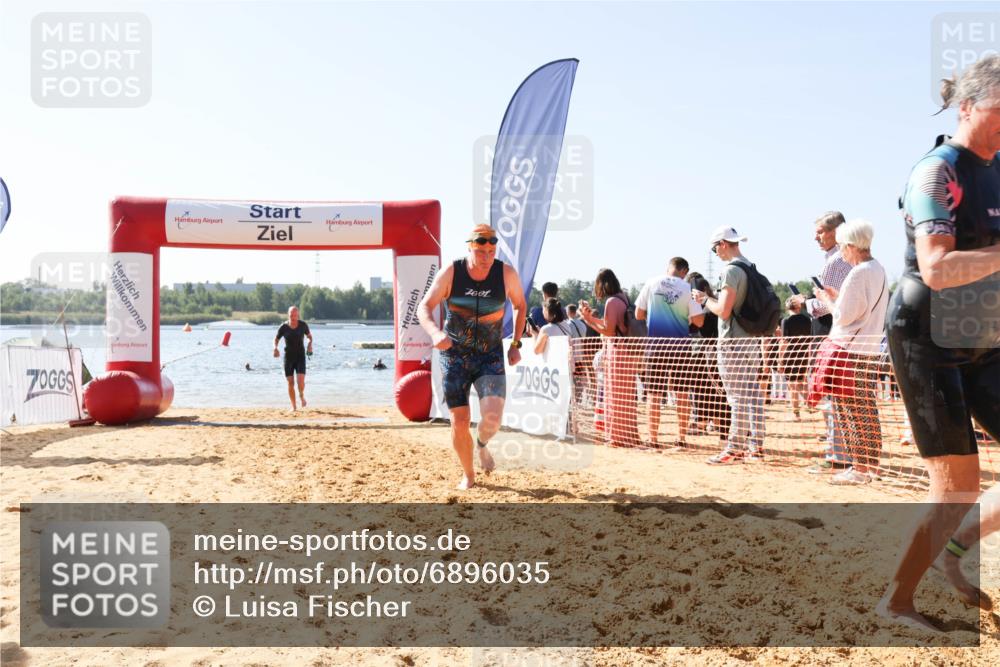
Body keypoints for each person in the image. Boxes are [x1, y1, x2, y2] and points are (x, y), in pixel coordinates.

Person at [878, 55, 1000, 631]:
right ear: (967, 107)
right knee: (957, 487)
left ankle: (952, 556)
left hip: (985, 335)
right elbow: (938, 268)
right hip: (926, 335)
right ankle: (897, 601)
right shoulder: (937, 171)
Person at [417, 224, 527, 490]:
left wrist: (515, 344)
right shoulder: (452, 272)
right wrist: (434, 333)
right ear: (470, 247)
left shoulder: (506, 274)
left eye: (491, 251)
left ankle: (482, 445)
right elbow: (424, 307)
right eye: (481, 251)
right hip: (454, 354)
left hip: (490, 355)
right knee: (460, 420)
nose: (487, 257)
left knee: (492, 418)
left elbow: (521, 306)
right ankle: (468, 474)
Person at [813, 219, 889, 485]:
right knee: (867, 410)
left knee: (848, 411)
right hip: (868, 350)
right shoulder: (877, 268)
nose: (842, 252)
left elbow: (844, 316)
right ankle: (871, 466)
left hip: (849, 350)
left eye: (844, 246)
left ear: (851, 245)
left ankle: (858, 467)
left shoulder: (858, 273)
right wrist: (837, 297)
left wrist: (827, 300)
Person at [692, 227, 766, 464]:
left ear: (723, 244)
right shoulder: (750, 267)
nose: (716, 253)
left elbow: (724, 311)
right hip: (751, 339)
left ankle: (734, 447)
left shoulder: (731, 270)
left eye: (715, 249)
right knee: (753, 395)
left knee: (737, 397)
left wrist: (705, 300)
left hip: (733, 341)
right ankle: (756, 446)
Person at [790, 211, 854, 469]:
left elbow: (828, 305)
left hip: (831, 333)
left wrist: (804, 302)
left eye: (820, 231)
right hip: (840, 334)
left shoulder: (837, 261)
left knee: (832, 396)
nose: (815, 237)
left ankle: (837, 454)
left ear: (836, 232)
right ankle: (840, 450)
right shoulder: (841, 259)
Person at [634, 257, 704, 448]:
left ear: (668, 268)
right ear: (685, 271)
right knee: (682, 393)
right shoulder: (687, 289)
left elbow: (638, 314)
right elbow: (699, 321)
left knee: (654, 395)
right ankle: (681, 438)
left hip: (655, 347)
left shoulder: (651, 282)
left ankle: (653, 439)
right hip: (681, 347)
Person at [578, 268, 641, 448]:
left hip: (617, 353)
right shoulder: (623, 297)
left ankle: (617, 436)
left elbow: (608, 331)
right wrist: (589, 318)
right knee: (627, 395)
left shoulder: (611, 302)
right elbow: (612, 326)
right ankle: (628, 434)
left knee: (615, 395)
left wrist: (588, 320)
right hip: (627, 352)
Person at [686, 272, 731, 446]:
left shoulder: (711, 307)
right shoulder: (708, 306)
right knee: (709, 397)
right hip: (703, 358)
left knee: (719, 396)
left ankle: (726, 435)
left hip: (712, 357)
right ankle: (722, 432)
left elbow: (705, 331)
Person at [273, 306, 313, 411]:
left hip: (300, 357)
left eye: (295, 315)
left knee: (300, 383)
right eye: (291, 315)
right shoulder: (284, 327)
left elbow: (309, 337)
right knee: (290, 383)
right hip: (288, 358)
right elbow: (276, 339)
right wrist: (275, 348)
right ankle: (294, 406)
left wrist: (309, 344)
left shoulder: (303, 325)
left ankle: (301, 395)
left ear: (298, 315)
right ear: (288, 315)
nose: (293, 317)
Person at [779, 297, 812, 419]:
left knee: (792, 385)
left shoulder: (786, 321)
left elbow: (784, 342)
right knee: (801, 382)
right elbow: (809, 340)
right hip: (803, 354)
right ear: (799, 307)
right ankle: (810, 404)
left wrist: (780, 360)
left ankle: (796, 413)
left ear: (787, 307)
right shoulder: (807, 319)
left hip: (790, 355)